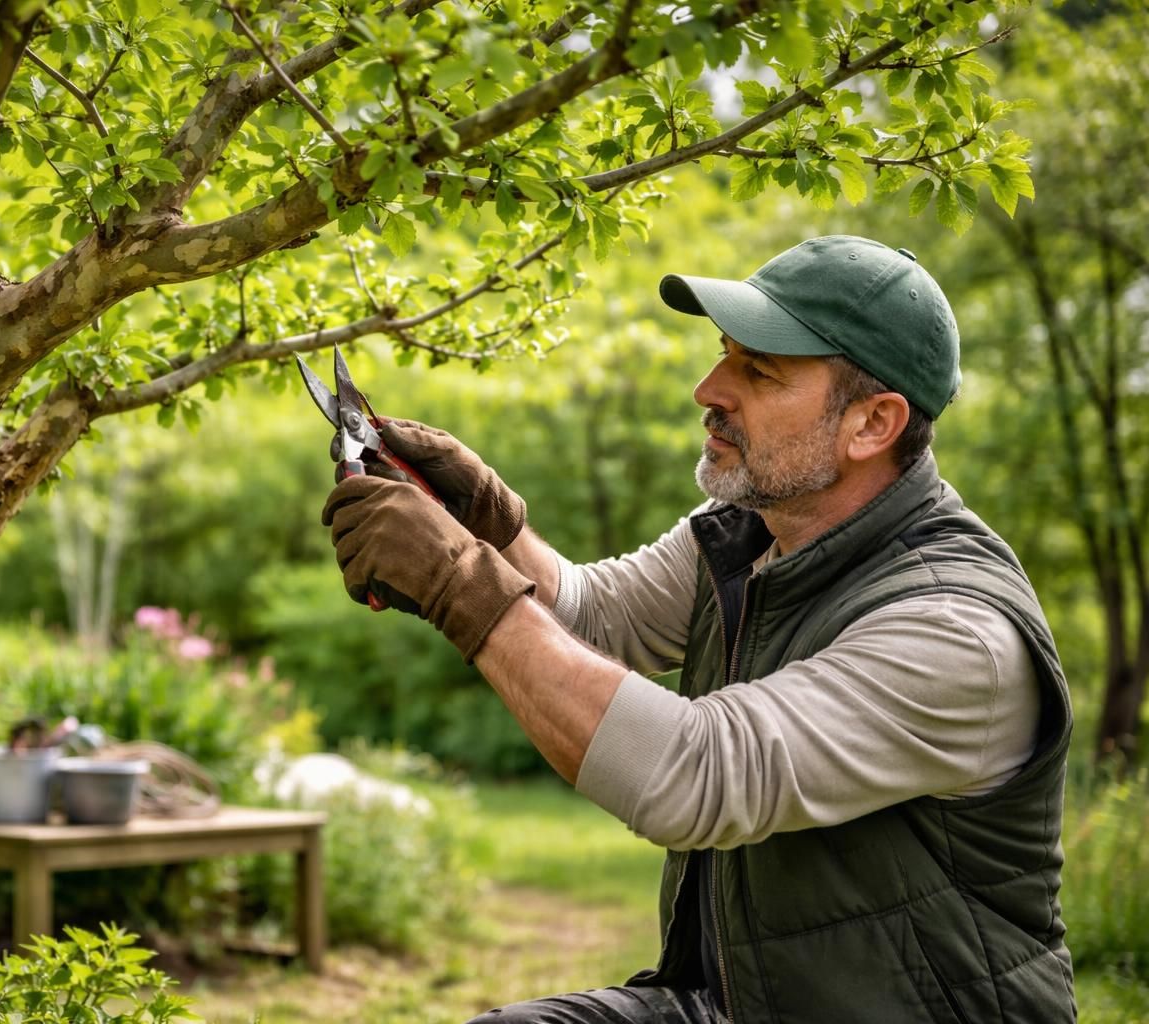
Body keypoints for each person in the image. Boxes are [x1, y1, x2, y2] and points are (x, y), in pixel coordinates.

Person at [321, 236, 1075, 1023]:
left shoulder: (954, 631)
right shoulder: (750, 530)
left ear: (872, 424)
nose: (707, 389)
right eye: (725, 354)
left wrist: (459, 580)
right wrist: (488, 525)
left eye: (760, 371)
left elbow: (694, 774)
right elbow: (595, 618)